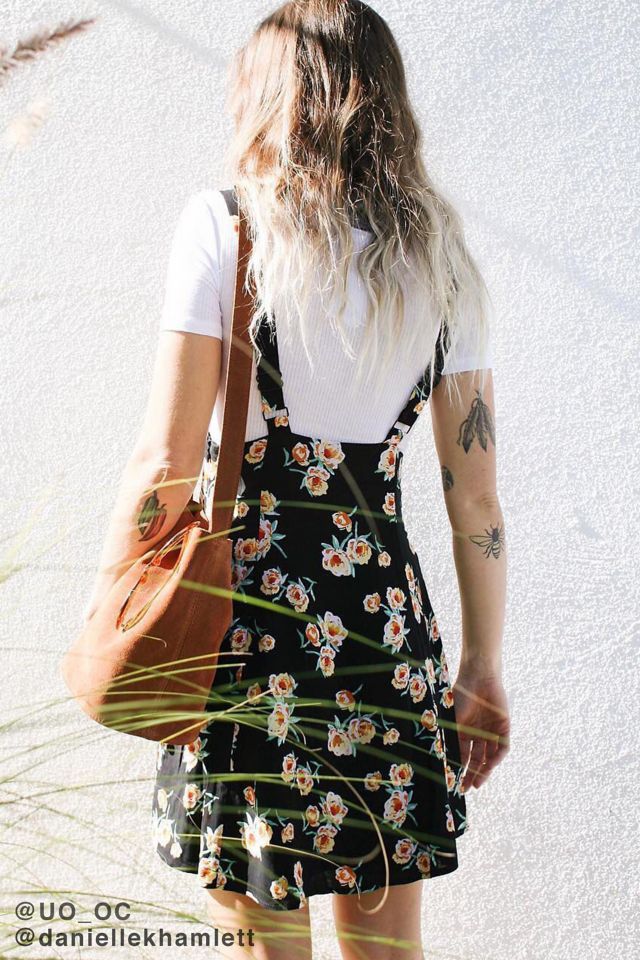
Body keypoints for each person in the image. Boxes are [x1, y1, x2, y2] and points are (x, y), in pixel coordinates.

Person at [83, 2, 509, 957]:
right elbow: (475, 498)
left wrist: (113, 601)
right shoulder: (442, 263)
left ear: (275, 100)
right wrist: (482, 668)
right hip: (382, 633)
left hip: (246, 628)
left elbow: (164, 460)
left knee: (258, 935)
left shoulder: (226, 228)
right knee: (386, 947)